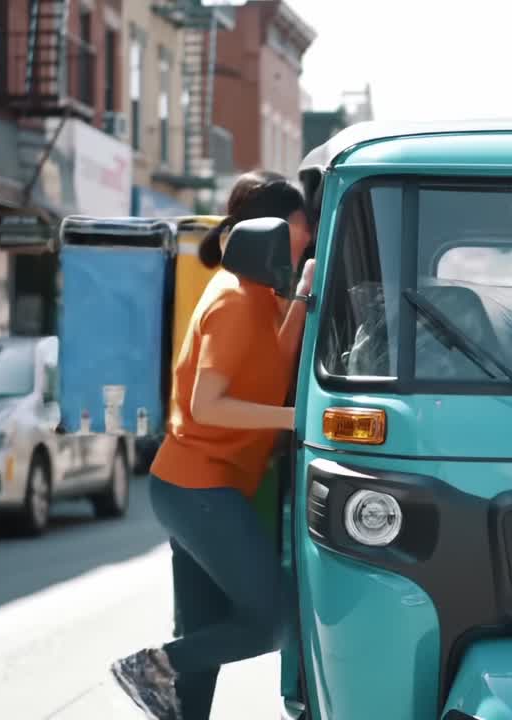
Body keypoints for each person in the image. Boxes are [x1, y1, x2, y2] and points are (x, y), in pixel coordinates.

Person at [110, 171, 316, 720]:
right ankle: (153, 665)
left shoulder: (260, 295)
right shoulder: (233, 301)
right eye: (303, 226)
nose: (309, 236)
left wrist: (304, 292)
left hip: (206, 487)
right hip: (197, 486)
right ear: (273, 231)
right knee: (271, 620)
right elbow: (208, 404)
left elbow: (275, 361)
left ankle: (171, 672)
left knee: (203, 642)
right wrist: (300, 418)